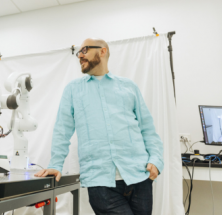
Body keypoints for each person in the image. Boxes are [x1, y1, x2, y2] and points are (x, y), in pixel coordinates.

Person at [35, 38, 164, 215]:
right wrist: (56, 164)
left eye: (84, 50)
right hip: (101, 183)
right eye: (78, 53)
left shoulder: (128, 86)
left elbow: (147, 129)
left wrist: (156, 159)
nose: (80, 56)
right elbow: (62, 130)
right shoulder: (73, 90)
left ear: (102, 51)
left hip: (139, 177)